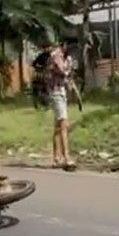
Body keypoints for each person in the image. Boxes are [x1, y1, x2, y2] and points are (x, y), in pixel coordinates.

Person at [45, 41, 75, 170]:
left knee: (58, 125)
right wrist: (68, 69)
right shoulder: (56, 55)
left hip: (61, 91)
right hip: (56, 91)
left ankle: (56, 158)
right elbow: (63, 71)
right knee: (63, 123)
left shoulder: (66, 57)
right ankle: (66, 157)